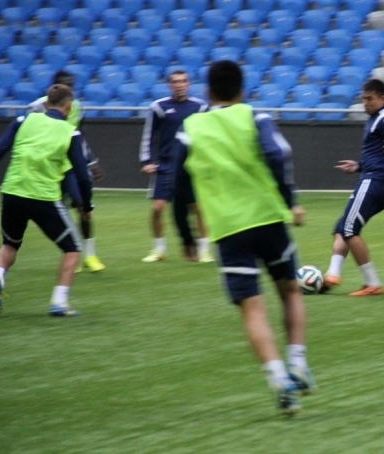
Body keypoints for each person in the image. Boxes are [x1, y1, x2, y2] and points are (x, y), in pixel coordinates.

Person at [175, 60, 315, 417]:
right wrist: (290, 200)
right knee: (290, 291)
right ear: (242, 91)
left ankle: (278, 378)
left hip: (228, 230)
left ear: (207, 92)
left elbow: (176, 179)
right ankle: (298, 363)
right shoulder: (255, 116)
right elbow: (277, 153)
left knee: (252, 308)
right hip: (268, 219)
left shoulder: (190, 127)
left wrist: (186, 235)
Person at [0, 84, 93, 317]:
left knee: (10, 244)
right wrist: (86, 206)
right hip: (44, 197)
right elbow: (82, 176)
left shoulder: (23, 121)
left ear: (46, 103)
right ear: (69, 106)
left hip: (12, 193)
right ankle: (59, 303)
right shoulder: (71, 133)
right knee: (72, 249)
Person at [321, 79, 384, 296]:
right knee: (341, 227)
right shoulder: (374, 119)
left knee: (349, 229)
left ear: (383, 98)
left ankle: (372, 283)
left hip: (375, 183)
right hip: (369, 179)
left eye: (370, 99)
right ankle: (332, 275)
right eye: (363, 99)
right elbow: (379, 155)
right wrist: (358, 166)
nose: (365, 103)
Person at [29, 69, 106, 273]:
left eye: (72, 85)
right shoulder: (36, 108)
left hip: (72, 165)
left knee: (85, 208)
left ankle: (90, 255)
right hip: (51, 167)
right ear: (54, 88)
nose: (70, 90)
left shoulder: (76, 107)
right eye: (66, 85)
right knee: (60, 210)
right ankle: (72, 254)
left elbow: (77, 137)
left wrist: (91, 161)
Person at [139, 69, 212, 263]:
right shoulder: (158, 107)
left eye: (183, 81)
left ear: (188, 84)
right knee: (157, 208)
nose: (180, 85)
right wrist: (146, 161)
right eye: (176, 82)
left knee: (198, 209)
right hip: (165, 165)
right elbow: (149, 135)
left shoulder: (200, 107)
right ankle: (159, 250)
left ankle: (204, 251)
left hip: (191, 166)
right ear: (169, 85)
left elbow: (208, 135)